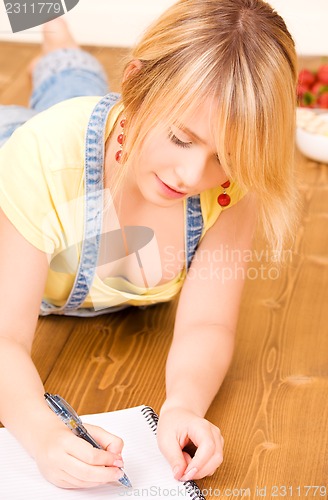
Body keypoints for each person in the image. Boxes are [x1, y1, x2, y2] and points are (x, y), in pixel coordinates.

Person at [0, 0, 299, 490]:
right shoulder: (40, 158)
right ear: (136, 84)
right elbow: (6, 338)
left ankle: (60, 49)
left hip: (108, 135)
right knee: (60, 112)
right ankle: (58, 38)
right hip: (13, 145)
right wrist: (41, 432)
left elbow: (208, 321)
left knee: (80, 99)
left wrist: (183, 405)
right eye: (182, 138)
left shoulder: (227, 190)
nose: (192, 176)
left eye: (223, 156)